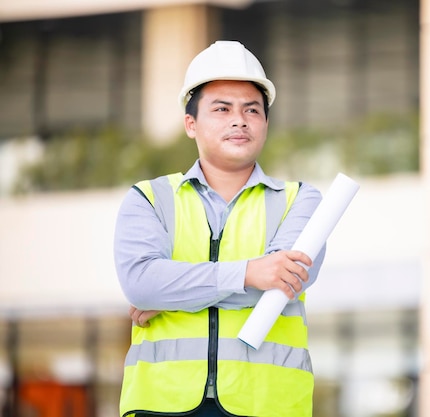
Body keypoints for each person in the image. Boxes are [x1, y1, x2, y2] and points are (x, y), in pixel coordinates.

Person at [114, 40, 325, 417]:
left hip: (268, 405)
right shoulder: (149, 199)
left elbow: (284, 282)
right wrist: (250, 273)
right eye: (222, 109)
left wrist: (170, 294)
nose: (239, 120)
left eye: (252, 110)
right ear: (190, 124)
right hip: (160, 405)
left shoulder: (300, 201)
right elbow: (141, 283)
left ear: (265, 123)